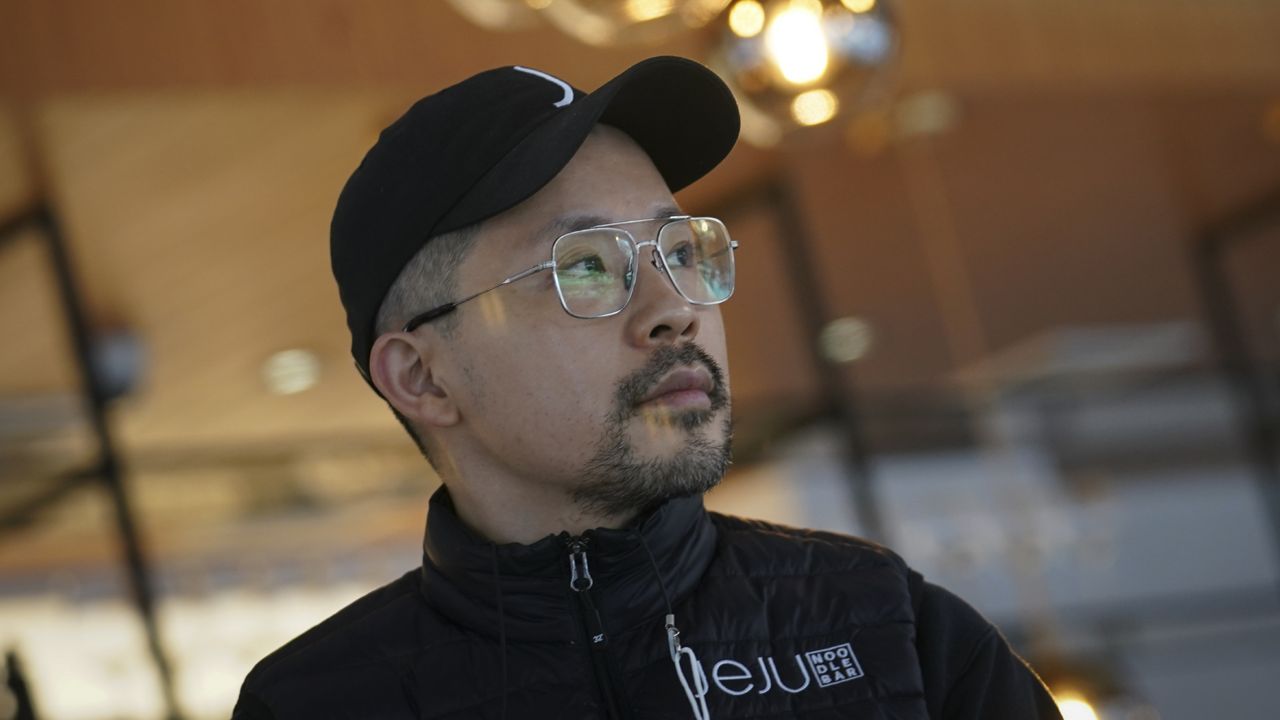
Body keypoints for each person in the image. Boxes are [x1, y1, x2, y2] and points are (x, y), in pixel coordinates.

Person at [232, 56, 1062, 720]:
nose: (676, 310)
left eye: (682, 249)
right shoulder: (315, 702)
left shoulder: (896, 630)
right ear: (423, 376)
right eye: (586, 267)